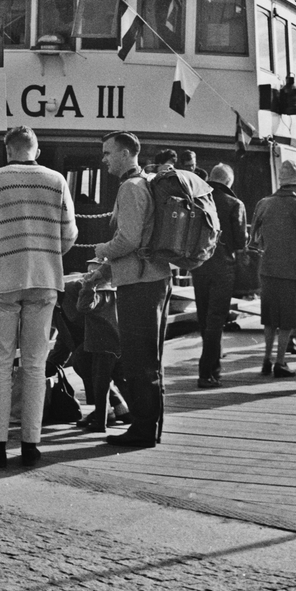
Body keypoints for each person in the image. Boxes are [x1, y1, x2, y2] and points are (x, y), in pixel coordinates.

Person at [0, 127, 77, 469]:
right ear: (36, 151)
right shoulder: (56, 180)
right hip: (44, 282)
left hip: (1, 281)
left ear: (7, 150)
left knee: (0, 366)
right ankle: (31, 447)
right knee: (34, 365)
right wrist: (45, 254)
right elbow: (70, 233)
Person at [93, 131, 173, 448]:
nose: (104, 159)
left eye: (108, 152)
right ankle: (151, 427)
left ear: (126, 154)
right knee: (151, 358)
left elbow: (127, 240)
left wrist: (101, 249)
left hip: (139, 283)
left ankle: (142, 430)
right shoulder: (146, 182)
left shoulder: (130, 187)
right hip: (155, 278)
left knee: (138, 359)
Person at [251, 161, 296, 377]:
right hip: (293, 270)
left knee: (269, 318)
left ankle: (266, 358)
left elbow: (254, 238)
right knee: (288, 320)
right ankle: (280, 362)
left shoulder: (264, 203)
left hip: (268, 269)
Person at [192, 163, 247, 388]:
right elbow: (240, 242)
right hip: (223, 268)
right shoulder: (235, 204)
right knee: (216, 319)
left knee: (204, 318)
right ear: (228, 182)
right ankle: (206, 372)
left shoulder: (197, 200)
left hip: (199, 266)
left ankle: (212, 368)